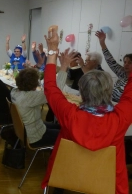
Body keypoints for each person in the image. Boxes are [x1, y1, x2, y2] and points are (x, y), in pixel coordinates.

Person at [42, 25, 132, 194]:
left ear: (82, 91)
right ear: (108, 91)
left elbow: (50, 87)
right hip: (106, 183)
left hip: (67, 177)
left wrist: (52, 51)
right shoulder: (120, 118)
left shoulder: (70, 115)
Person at [96, 30, 132, 102]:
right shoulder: (122, 72)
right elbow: (111, 61)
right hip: (111, 103)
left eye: (130, 62)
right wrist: (102, 43)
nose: (126, 64)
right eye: (125, 62)